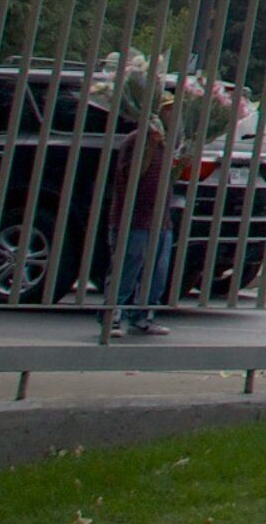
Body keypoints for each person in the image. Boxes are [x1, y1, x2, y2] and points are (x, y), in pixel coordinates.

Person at [107, 71, 180, 338]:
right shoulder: (137, 141)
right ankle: (113, 315)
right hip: (134, 219)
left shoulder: (166, 144)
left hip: (160, 220)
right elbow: (130, 177)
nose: (173, 116)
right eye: (169, 111)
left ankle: (144, 314)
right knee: (128, 267)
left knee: (156, 271)